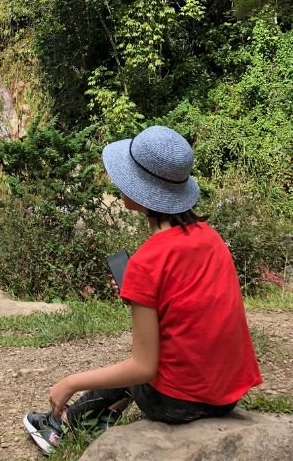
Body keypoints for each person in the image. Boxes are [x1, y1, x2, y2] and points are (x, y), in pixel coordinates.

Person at [23, 125, 262, 456]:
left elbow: (143, 368)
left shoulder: (147, 261)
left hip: (178, 403)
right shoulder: (210, 237)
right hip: (228, 394)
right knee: (141, 364)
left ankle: (62, 427)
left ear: (142, 191)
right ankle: (100, 416)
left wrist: (70, 382)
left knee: (132, 372)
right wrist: (142, 292)